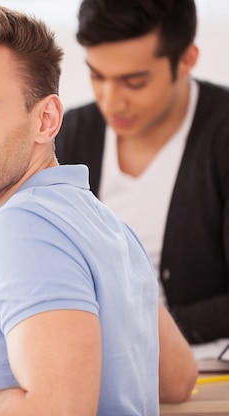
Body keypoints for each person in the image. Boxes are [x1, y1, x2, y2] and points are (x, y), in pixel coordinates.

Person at [0, 3, 197, 415]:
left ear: (46, 120)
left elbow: (57, 410)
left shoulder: (23, 228)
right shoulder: (102, 221)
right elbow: (176, 380)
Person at [55, 0, 229, 344]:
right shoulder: (69, 134)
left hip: (205, 366)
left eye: (134, 81)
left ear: (186, 61)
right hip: (88, 356)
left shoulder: (221, 136)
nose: (112, 101)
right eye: (97, 75)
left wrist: (131, 331)